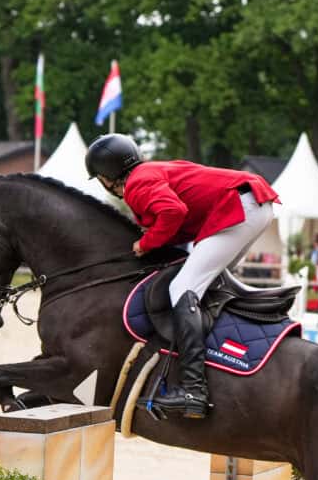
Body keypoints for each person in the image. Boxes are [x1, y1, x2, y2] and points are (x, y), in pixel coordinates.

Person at [85, 133, 279, 419]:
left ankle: (193, 389)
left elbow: (173, 212)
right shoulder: (150, 171)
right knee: (206, 281)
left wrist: (146, 243)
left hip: (240, 207)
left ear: (107, 175)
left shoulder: (137, 184)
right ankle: (220, 356)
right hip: (253, 204)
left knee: (182, 288)